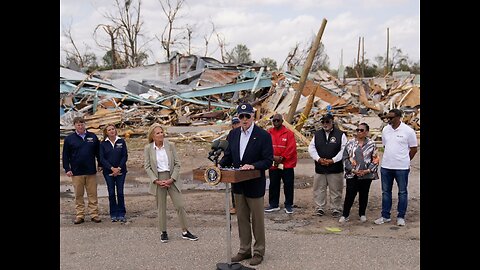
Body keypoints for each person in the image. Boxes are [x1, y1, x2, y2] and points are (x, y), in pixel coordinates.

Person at [219, 102, 273, 266]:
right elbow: (228, 156)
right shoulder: (233, 134)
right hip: (238, 184)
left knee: (257, 220)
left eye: (247, 116)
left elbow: (268, 160)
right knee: (242, 218)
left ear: (253, 116)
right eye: (241, 116)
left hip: (254, 184)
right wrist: (219, 165)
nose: (244, 119)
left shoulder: (263, 135)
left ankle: (258, 251)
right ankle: (244, 250)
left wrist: (254, 165)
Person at [144, 123, 198, 243]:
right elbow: (147, 166)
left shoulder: (170, 145)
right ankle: (163, 232)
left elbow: (178, 164)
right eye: (157, 133)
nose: (161, 134)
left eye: (161, 132)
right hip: (158, 179)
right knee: (161, 207)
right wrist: (156, 180)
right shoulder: (148, 148)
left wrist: (172, 179)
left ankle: (185, 231)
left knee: (180, 205)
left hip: (172, 178)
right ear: (152, 136)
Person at [374, 109, 418, 226]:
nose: (388, 120)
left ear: (399, 117)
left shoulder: (408, 131)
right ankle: (385, 216)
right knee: (386, 192)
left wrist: (405, 160)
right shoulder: (385, 130)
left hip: (401, 167)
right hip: (386, 166)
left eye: (391, 118)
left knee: (402, 192)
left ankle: (400, 216)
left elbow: (414, 148)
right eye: (387, 117)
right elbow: (385, 145)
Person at [62, 116, 102, 224]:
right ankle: (80, 215)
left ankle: (94, 214)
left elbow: (98, 153)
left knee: (92, 194)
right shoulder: (69, 139)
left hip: (90, 171)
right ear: (74, 126)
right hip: (76, 172)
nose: (80, 126)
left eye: (82, 124)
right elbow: (65, 155)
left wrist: (100, 164)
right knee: (79, 195)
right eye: (78, 124)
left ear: (85, 124)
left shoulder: (92, 137)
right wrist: (67, 168)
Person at [308, 113, 347, 218]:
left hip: (335, 168)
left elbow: (344, 150)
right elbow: (311, 148)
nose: (325, 124)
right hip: (320, 168)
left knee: (336, 189)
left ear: (332, 122)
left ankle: (336, 208)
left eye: (327, 122)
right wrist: (319, 159)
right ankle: (320, 208)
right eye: (323, 122)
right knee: (319, 189)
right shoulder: (317, 134)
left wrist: (333, 160)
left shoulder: (340, 135)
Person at [338, 123, 379, 223]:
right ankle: (345, 214)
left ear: (366, 132)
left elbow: (375, 159)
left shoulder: (372, 144)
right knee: (350, 195)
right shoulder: (350, 143)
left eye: (361, 130)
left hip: (366, 174)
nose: (359, 132)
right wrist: (352, 170)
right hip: (352, 173)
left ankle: (362, 213)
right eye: (358, 130)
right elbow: (345, 158)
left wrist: (367, 170)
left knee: (364, 195)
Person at [265, 113, 297, 214]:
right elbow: (266, 147)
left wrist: (282, 158)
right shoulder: (269, 133)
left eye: (278, 120)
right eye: (274, 120)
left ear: (282, 121)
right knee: (273, 184)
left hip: (287, 164)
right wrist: (273, 158)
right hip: (274, 164)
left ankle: (288, 205)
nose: (276, 122)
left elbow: (291, 148)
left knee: (288, 184)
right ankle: (274, 204)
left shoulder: (289, 133)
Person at [99, 124, 128, 223]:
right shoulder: (103, 144)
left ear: (115, 130)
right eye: (109, 130)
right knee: (111, 193)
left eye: (113, 129)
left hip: (121, 171)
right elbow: (102, 159)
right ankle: (113, 213)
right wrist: (112, 168)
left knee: (120, 192)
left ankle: (121, 213)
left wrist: (118, 168)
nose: (111, 131)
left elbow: (125, 156)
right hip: (108, 172)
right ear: (106, 132)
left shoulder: (121, 141)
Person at [228, 116, 241, 215]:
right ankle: (235, 206)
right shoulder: (231, 135)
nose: (236, 125)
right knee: (234, 187)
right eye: (234, 123)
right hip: (233, 164)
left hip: (244, 165)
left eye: (237, 123)